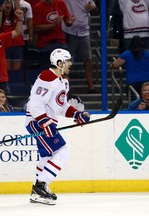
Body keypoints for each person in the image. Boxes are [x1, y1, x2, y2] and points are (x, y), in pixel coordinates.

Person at [25, 48, 90, 205]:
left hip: (45, 123)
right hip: (37, 122)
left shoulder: (63, 81)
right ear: (59, 63)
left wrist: (77, 114)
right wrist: (44, 122)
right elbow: (34, 105)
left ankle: (37, 191)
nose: (70, 64)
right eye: (68, 61)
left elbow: (61, 106)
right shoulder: (47, 77)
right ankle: (40, 187)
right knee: (62, 151)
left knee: (46, 157)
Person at [62, 0, 98, 93]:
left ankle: (91, 87)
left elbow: (95, 10)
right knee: (67, 60)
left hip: (84, 32)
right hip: (69, 31)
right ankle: (65, 86)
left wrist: (93, 8)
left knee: (88, 60)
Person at [32, 0, 75, 70]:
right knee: (48, 71)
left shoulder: (60, 3)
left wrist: (70, 22)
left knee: (63, 69)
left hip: (60, 42)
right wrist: (54, 25)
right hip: (45, 44)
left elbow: (67, 20)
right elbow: (36, 28)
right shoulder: (38, 7)